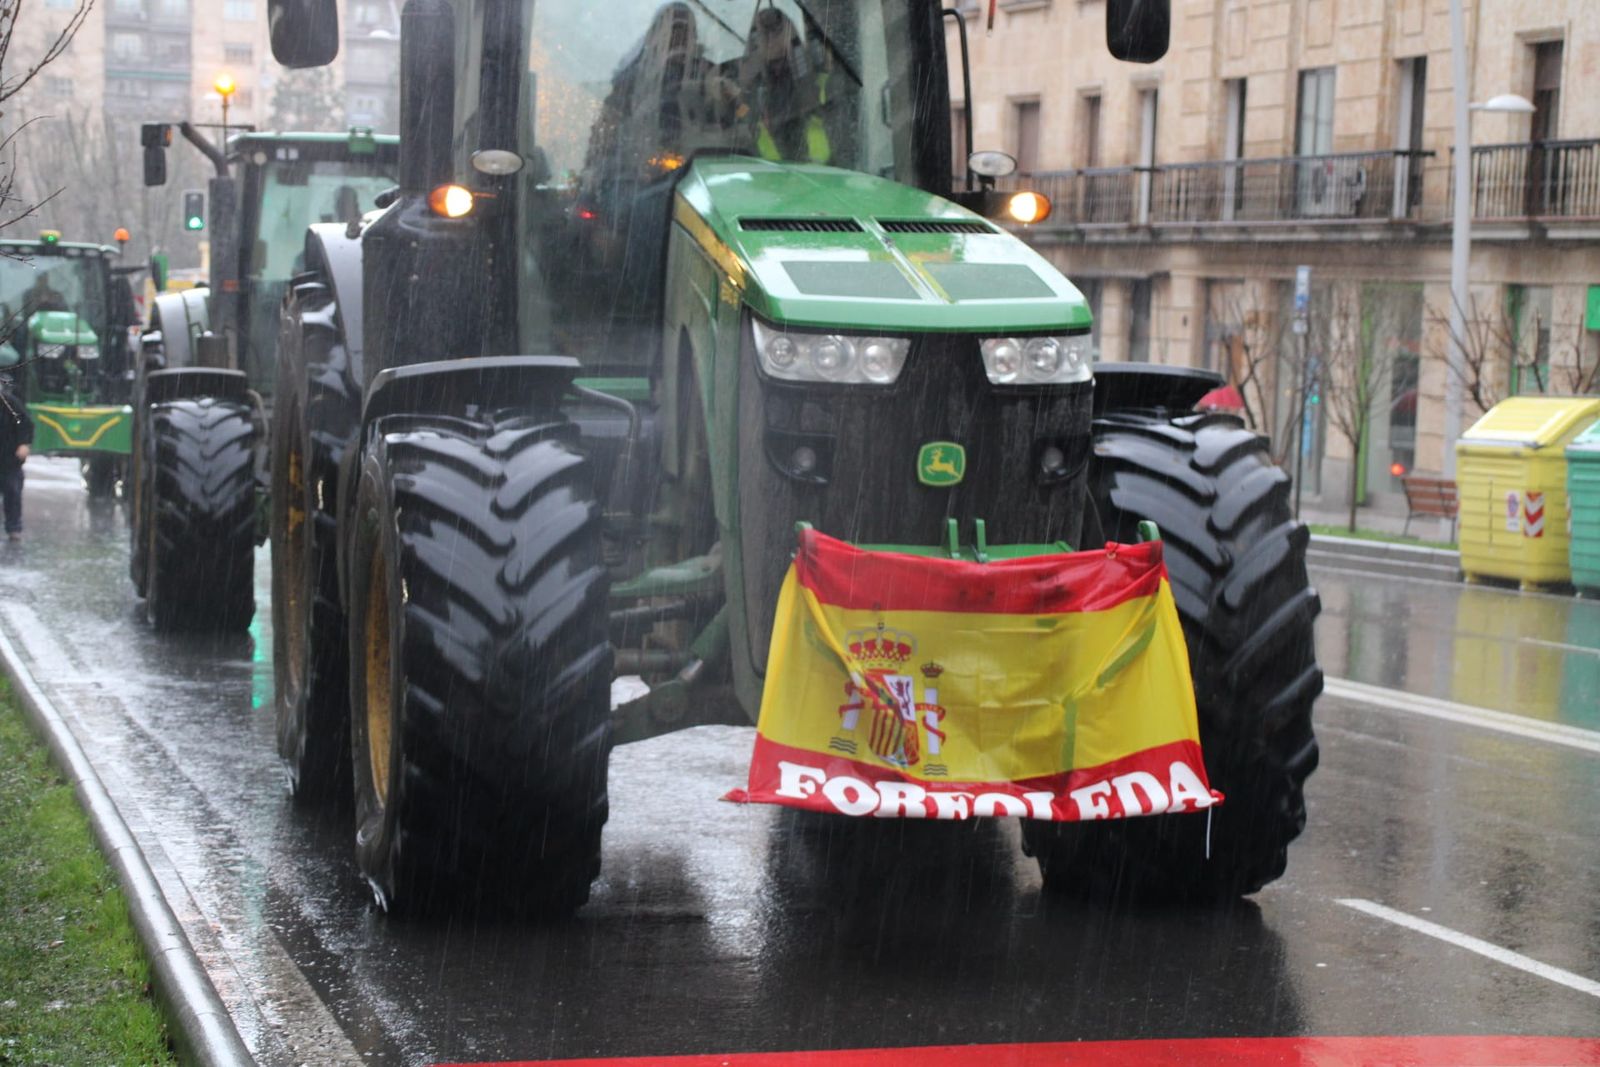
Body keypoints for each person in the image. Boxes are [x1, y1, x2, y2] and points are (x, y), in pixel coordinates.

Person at [737, 7, 832, 165]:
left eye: (776, 30)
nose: (770, 38)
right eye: (763, 33)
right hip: (772, 172)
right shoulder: (753, 93)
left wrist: (794, 45)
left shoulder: (812, 78)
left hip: (818, 171)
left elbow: (810, 89)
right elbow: (742, 112)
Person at [0, 375, 32, 542]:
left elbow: (26, 424)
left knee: (12, 493)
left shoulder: (10, 404)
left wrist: (24, 443)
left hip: (9, 458)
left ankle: (14, 528)